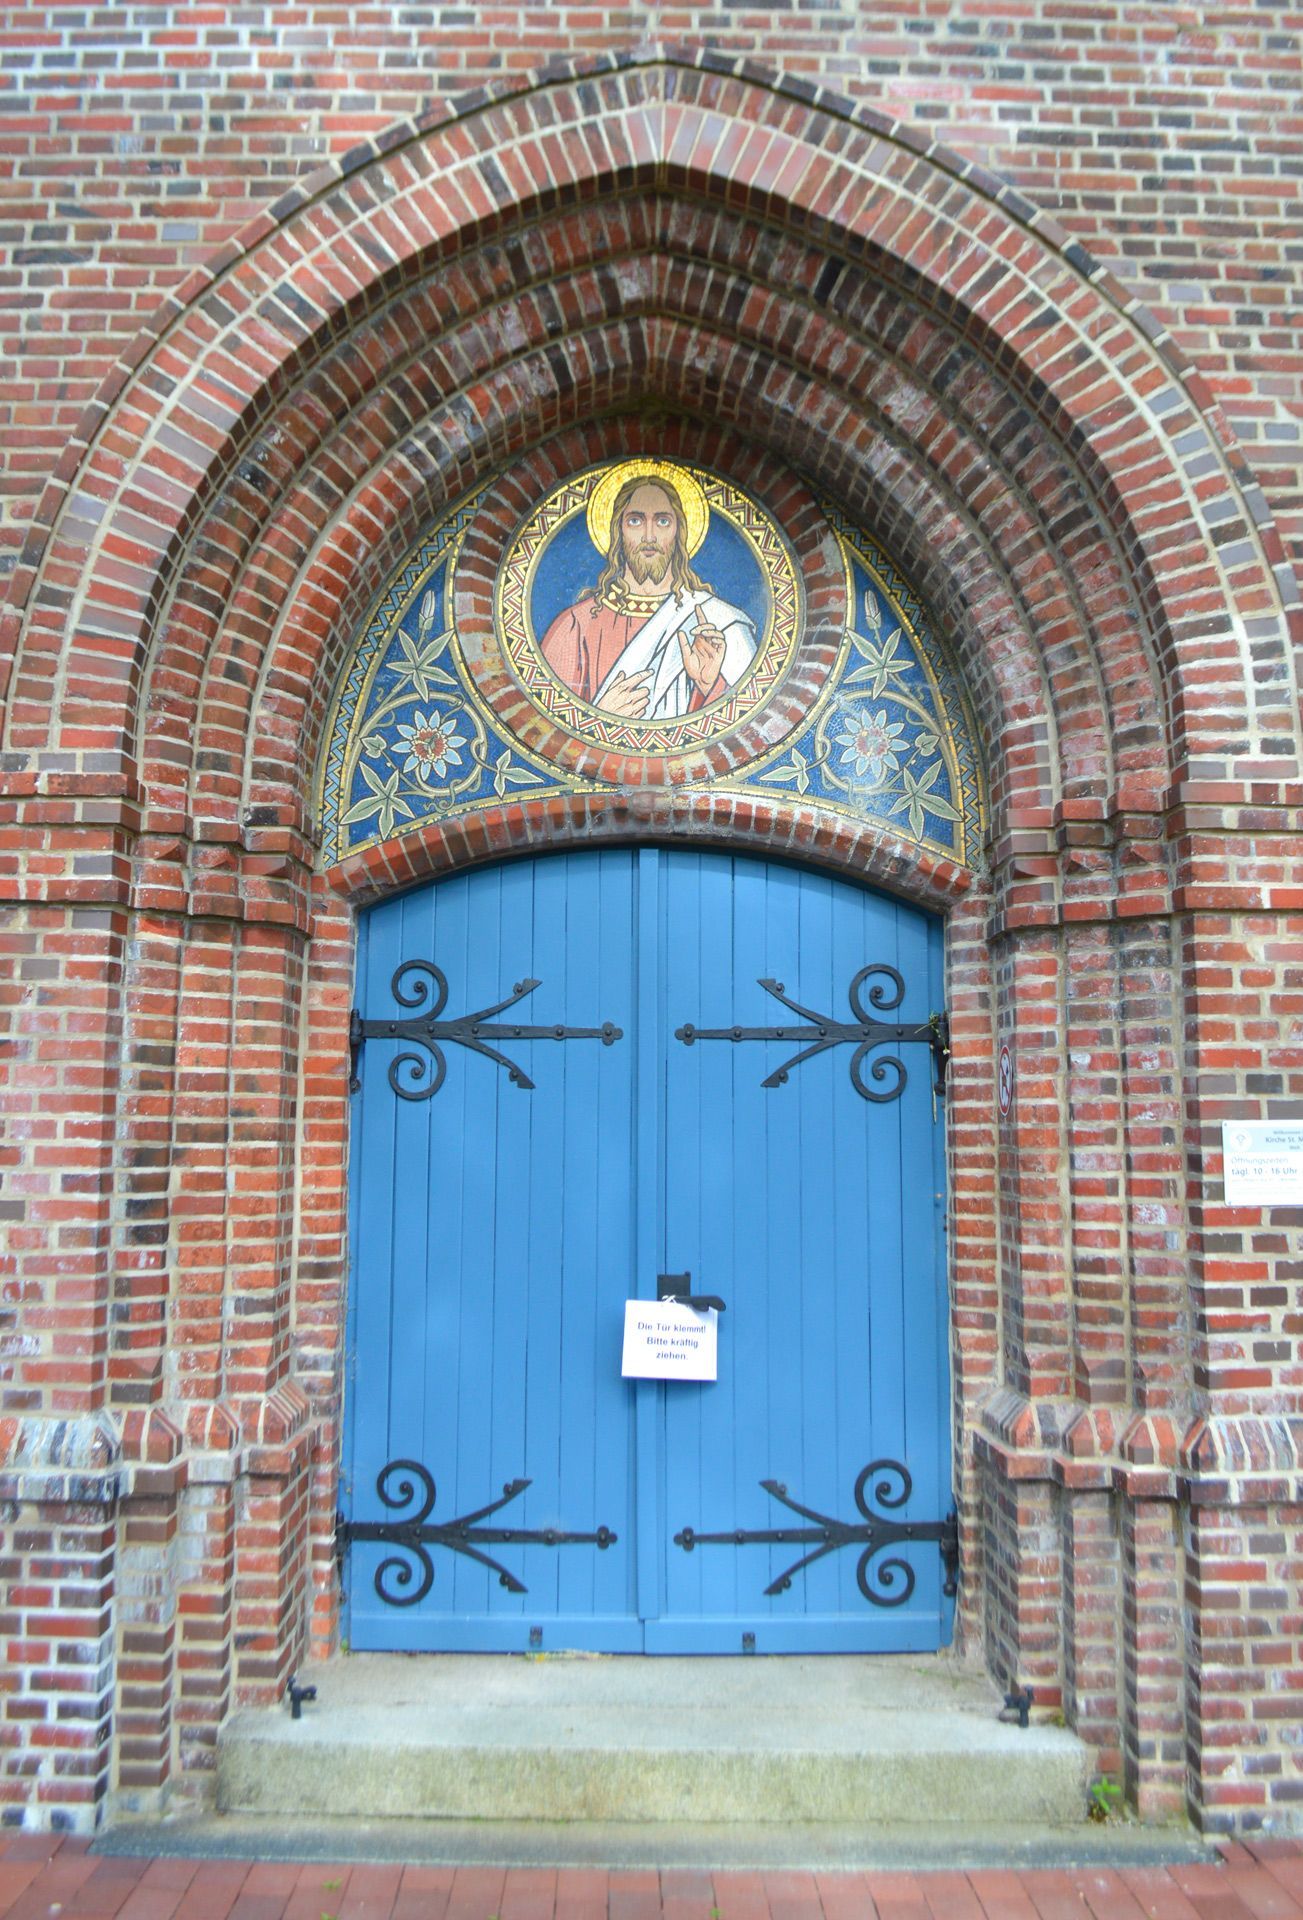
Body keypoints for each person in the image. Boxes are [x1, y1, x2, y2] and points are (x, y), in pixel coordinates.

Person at [539, 469, 757, 720]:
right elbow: (545, 732)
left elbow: (749, 732)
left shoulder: (720, 623)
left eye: (663, 521)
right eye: (635, 521)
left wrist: (711, 687)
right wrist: (600, 717)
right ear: (618, 531)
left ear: (679, 533)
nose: (649, 536)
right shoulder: (575, 625)